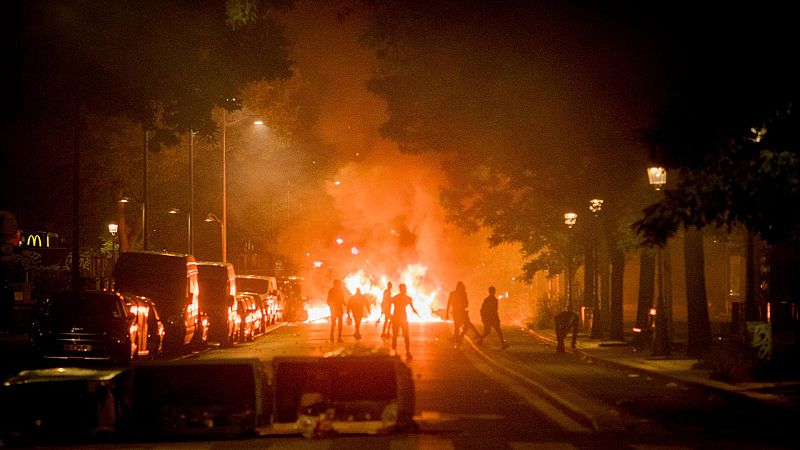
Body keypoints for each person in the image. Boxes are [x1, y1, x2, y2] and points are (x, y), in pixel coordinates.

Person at [390, 283, 419, 360]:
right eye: (405, 288)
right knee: (403, 335)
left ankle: (397, 351)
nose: (405, 290)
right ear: (402, 289)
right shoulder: (406, 298)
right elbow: (412, 308)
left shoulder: (398, 298)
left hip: (398, 318)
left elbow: (412, 308)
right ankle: (406, 352)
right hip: (401, 318)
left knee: (396, 335)